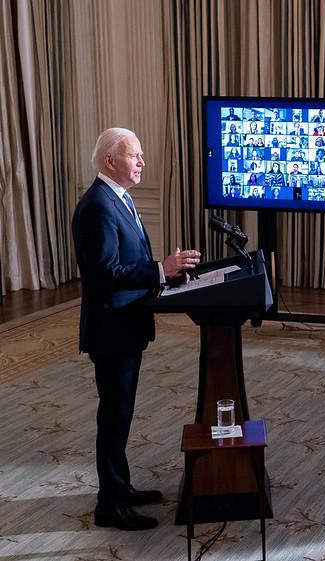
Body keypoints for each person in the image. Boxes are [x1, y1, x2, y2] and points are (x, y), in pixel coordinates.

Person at [72, 128, 201, 531]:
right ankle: (109, 506)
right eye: (135, 156)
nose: (142, 162)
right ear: (110, 161)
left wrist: (167, 275)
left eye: (142, 155)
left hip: (126, 326)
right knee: (113, 418)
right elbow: (105, 274)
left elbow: (132, 262)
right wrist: (160, 268)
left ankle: (120, 488)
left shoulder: (119, 199)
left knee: (121, 415)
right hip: (111, 331)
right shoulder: (97, 206)